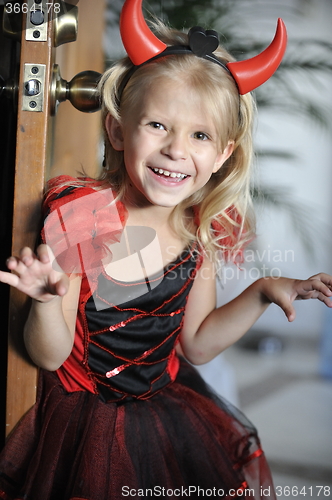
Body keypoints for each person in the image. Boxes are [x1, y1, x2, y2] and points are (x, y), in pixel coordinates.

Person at [0, 0, 331, 498]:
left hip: (162, 418)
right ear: (117, 129)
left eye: (200, 135)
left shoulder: (202, 234)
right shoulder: (82, 217)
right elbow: (48, 357)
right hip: (79, 421)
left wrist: (263, 290)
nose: (177, 149)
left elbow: (196, 342)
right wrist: (47, 301)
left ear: (222, 156)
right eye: (158, 125)